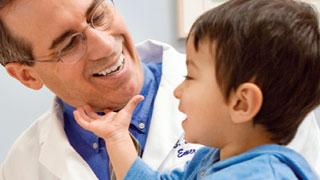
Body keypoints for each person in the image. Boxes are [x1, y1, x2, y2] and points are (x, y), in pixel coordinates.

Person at [0, 0, 319, 179]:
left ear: (243, 104)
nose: (106, 45)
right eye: (69, 44)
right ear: (26, 77)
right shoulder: (21, 167)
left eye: (98, 15)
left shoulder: (266, 93)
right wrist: (117, 140)